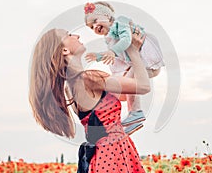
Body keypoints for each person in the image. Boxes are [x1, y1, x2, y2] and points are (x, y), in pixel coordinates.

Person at [29, 27, 149, 173]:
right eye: (68, 34)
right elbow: (143, 86)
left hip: (104, 155)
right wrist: (133, 51)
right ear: (64, 50)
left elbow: (123, 94)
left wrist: (130, 63)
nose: (77, 35)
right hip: (115, 153)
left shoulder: (71, 86)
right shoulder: (89, 78)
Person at [84, 1, 165, 134]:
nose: (94, 27)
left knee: (128, 83)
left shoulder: (120, 22)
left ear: (107, 15)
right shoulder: (109, 36)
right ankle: (135, 118)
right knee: (127, 85)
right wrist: (98, 56)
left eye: (95, 21)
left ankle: (136, 112)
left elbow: (126, 41)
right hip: (136, 63)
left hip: (146, 60)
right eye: (91, 27)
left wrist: (111, 52)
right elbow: (115, 54)